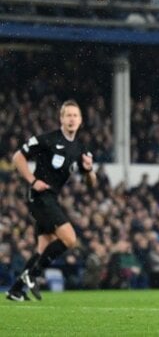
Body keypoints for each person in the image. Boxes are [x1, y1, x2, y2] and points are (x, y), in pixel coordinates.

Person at [6, 100, 97, 301]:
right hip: (39, 196)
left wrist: (90, 170)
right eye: (68, 115)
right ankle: (33, 275)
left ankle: (16, 291)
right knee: (70, 239)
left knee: (43, 249)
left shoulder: (80, 149)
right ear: (61, 119)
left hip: (51, 198)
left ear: (81, 121)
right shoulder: (47, 139)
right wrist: (33, 180)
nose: (72, 119)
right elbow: (17, 157)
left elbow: (91, 184)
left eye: (75, 115)